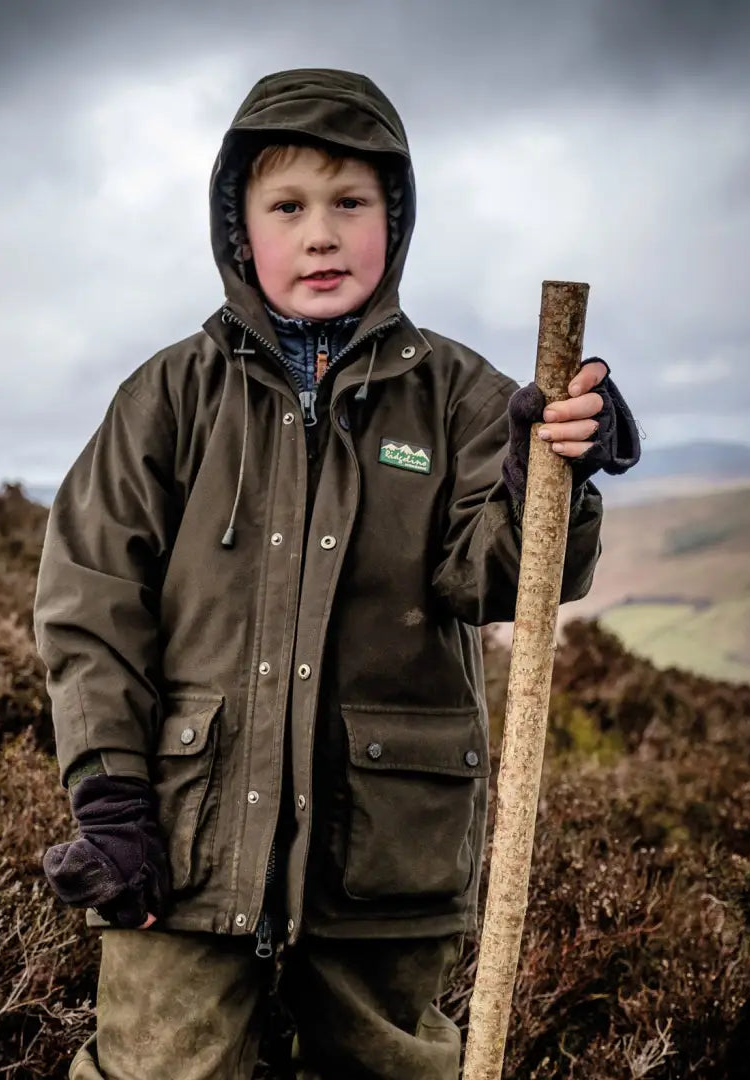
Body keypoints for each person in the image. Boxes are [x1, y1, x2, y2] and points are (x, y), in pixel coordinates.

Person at [34, 67, 640, 1080]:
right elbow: (89, 605)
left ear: (394, 221)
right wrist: (111, 797)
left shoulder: (458, 395)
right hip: (183, 850)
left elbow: (496, 579)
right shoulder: (170, 396)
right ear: (240, 229)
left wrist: (557, 475)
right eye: (289, 206)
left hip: (385, 865)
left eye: (350, 203)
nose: (321, 234)